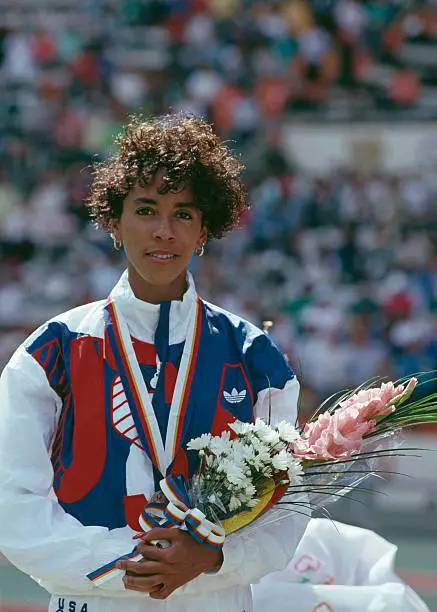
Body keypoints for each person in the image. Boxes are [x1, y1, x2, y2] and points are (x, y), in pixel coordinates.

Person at [0, 113, 306, 612]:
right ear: (114, 222)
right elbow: (12, 507)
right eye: (146, 210)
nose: (164, 231)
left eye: (184, 214)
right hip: (97, 601)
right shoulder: (51, 350)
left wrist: (210, 560)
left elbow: (288, 511)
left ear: (205, 229)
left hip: (214, 601)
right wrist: (131, 564)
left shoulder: (254, 356)